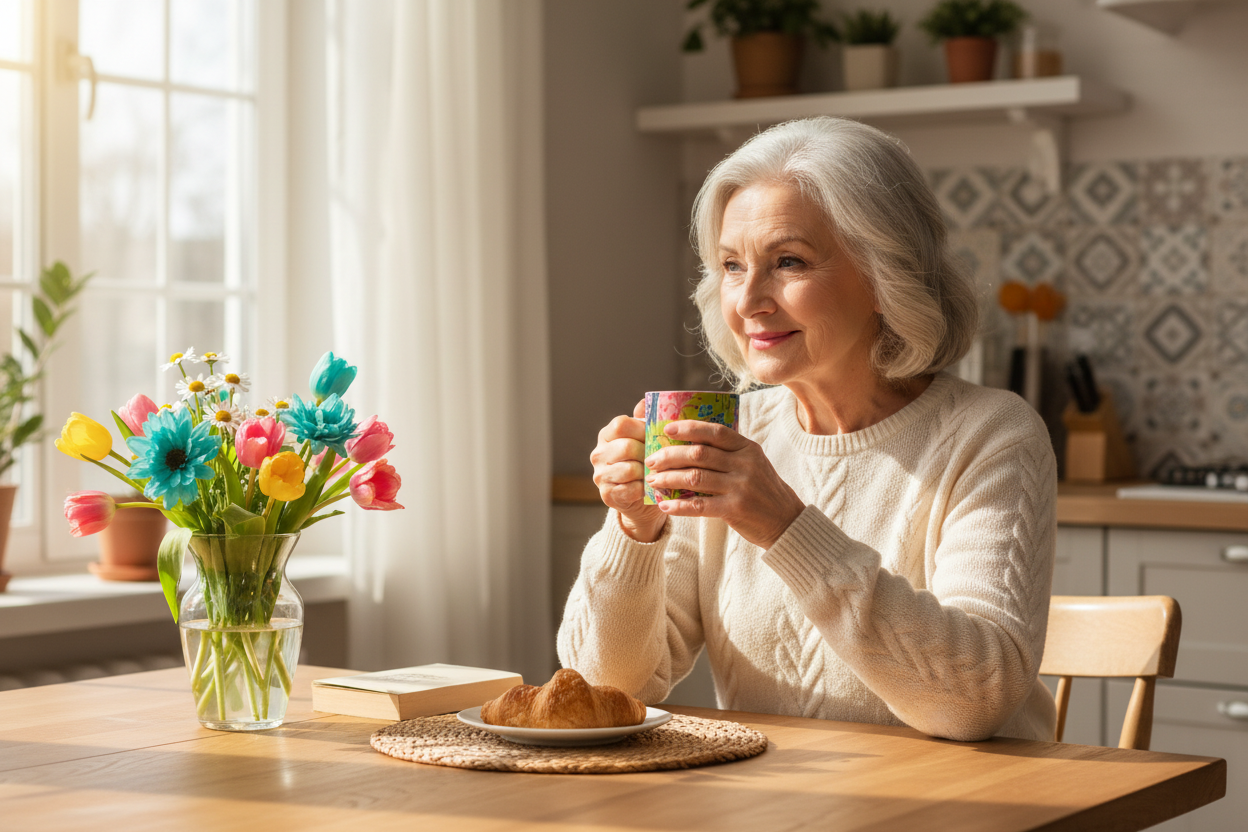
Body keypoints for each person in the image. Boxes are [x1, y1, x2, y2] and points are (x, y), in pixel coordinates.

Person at [557, 117, 1058, 743]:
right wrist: (635, 529)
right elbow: (607, 692)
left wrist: (784, 526)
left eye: (788, 261)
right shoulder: (729, 437)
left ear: (884, 274)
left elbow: (975, 701)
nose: (747, 301)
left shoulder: (992, 435)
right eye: (733, 266)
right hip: (774, 802)